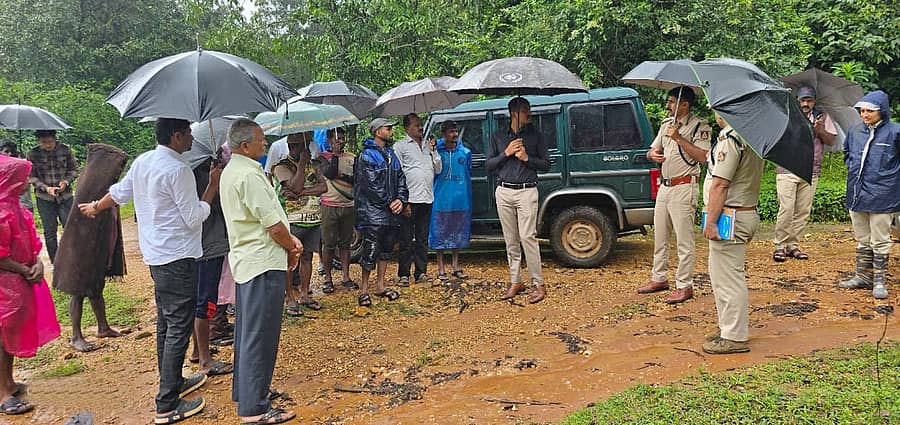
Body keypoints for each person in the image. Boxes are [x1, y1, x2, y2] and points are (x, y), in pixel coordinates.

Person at [79, 118, 215, 423]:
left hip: (156, 255)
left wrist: (96, 207)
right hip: (178, 257)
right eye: (189, 133)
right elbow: (193, 218)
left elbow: (119, 193)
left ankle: (174, 382)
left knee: (167, 323)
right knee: (178, 325)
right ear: (177, 136)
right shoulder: (178, 170)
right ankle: (167, 404)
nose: (193, 137)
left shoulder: (144, 161)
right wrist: (212, 188)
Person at [219, 118, 299, 424]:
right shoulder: (248, 176)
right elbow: (272, 224)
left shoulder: (234, 171)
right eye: (261, 140)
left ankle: (249, 390)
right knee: (259, 334)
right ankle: (254, 409)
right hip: (262, 262)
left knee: (248, 332)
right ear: (244, 145)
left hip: (250, 261)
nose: (265, 144)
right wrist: (291, 244)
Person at [0, 155, 61, 416]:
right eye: (21, 178)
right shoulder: (2, 213)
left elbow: (30, 242)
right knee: (2, 337)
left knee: (11, 334)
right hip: (6, 284)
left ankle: (8, 381)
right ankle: (2, 392)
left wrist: (36, 262)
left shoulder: (16, 208)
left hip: (18, 281)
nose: (26, 182)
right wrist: (25, 269)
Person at [53, 144, 128, 352]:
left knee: (96, 286)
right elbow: (84, 220)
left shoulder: (104, 186)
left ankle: (103, 326)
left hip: (97, 246)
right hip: (81, 248)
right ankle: (76, 336)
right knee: (78, 289)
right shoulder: (91, 186)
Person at [639, 87, 711, 304]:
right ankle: (659, 277)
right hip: (665, 187)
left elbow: (704, 157)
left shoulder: (700, 125)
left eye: (672, 102)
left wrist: (679, 138)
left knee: (683, 239)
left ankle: (684, 284)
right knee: (660, 236)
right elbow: (651, 151)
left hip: (684, 186)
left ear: (684, 104)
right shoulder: (665, 124)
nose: (668, 105)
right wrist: (652, 155)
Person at [701, 113, 764, 355]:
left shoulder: (731, 139)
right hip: (745, 212)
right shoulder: (752, 136)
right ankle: (728, 328)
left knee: (728, 280)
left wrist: (712, 222)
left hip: (731, 217)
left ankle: (735, 336)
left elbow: (721, 184)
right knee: (724, 276)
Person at [487, 97, 550, 304]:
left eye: (529, 109)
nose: (529, 113)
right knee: (511, 240)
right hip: (504, 191)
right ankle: (516, 281)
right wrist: (506, 153)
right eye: (525, 110)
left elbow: (546, 164)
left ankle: (538, 283)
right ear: (513, 113)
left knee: (527, 237)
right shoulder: (497, 136)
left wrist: (526, 158)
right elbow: (488, 165)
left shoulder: (536, 136)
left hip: (527, 191)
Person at [838, 90, 899, 300]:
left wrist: (889, 179)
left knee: (880, 239)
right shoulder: (855, 131)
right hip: (857, 193)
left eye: (869, 111)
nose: (864, 114)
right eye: (862, 110)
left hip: (884, 195)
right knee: (863, 238)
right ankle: (863, 276)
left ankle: (880, 280)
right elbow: (847, 154)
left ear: (881, 111)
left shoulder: (895, 132)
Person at [772, 86, 837, 262]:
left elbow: (831, 140)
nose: (806, 103)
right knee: (786, 208)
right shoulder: (786, 115)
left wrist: (820, 130)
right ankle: (779, 245)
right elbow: (775, 139)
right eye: (803, 100)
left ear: (814, 101)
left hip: (811, 169)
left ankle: (793, 245)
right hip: (788, 168)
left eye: (809, 100)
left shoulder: (822, 117)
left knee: (802, 211)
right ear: (797, 100)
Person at [188, 147, 233, 376]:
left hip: (196, 245)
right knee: (205, 302)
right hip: (208, 244)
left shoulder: (185, 170)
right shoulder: (202, 175)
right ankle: (205, 359)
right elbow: (214, 205)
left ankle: (198, 350)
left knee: (199, 299)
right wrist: (217, 181)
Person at [354, 118, 407, 307]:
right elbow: (370, 185)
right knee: (371, 249)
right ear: (377, 131)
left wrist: (401, 199)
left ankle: (381, 285)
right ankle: (364, 290)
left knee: (386, 248)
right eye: (388, 128)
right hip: (373, 212)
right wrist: (389, 201)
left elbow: (401, 178)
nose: (391, 131)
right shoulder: (366, 156)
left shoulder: (391, 154)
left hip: (391, 213)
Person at [272, 132, 326, 315]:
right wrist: (302, 164)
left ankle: (304, 293)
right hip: (292, 220)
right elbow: (293, 186)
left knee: (307, 257)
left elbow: (323, 187)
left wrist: (302, 193)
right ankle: (290, 297)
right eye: (291, 145)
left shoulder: (315, 164)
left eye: (297, 145)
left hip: (312, 218)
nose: (293, 149)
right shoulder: (281, 166)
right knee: (289, 260)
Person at [394, 113, 442, 285]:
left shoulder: (428, 146)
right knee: (406, 238)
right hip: (410, 199)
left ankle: (421, 272)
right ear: (407, 128)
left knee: (422, 238)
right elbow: (397, 173)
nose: (420, 128)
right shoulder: (400, 146)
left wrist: (434, 150)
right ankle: (404, 274)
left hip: (427, 197)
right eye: (416, 125)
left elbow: (438, 169)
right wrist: (403, 200)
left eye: (421, 124)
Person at [430, 121, 473, 281]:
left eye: (455, 131)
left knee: (457, 233)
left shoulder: (465, 152)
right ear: (443, 133)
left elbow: (467, 172)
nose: (454, 134)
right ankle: (441, 268)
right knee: (439, 233)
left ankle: (455, 266)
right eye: (450, 132)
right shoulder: (435, 152)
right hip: (441, 199)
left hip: (460, 199)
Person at [27, 130, 79, 263]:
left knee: (69, 227)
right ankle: (55, 262)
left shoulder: (65, 150)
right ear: (39, 141)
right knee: (49, 231)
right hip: (44, 198)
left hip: (65, 196)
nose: (48, 145)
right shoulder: (33, 154)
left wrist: (66, 182)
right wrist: (46, 188)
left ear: (55, 139)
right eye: (44, 142)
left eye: (50, 142)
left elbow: (74, 170)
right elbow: (31, 176)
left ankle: (71, 258)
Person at [319, 127, 357, 292]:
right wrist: (334, 154)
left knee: (345, 244)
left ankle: (346, 276)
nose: (339, 141)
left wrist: (344, 177)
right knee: (328, 244)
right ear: (328, 140)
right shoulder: (322, 158)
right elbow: (330, 172)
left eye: (341, 138)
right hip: (329, 205)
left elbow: (358, 178)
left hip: (348, 205)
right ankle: (328, 278)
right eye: (336, 138)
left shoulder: (352, 157)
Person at [0, 141, 33, 212]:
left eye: (12, 151)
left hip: (23, 204)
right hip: (4, 207)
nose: (10, 154)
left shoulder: (23, 165)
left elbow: (26, 186)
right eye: (6, 151)